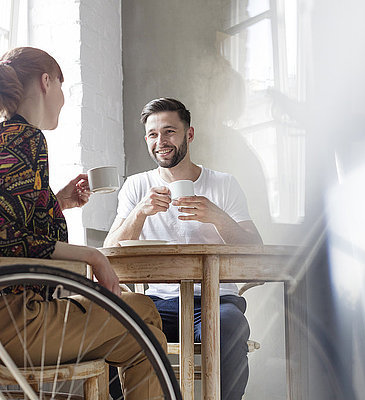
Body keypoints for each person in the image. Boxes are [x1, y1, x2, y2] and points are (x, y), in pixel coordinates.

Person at [0, 47, 166, 399]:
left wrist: (57, 202)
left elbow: (1, 225)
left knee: (146, 338)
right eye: (63, 85)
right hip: (10, 325)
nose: (64, 97)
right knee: (143, 311)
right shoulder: (28, 139)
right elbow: (3, 239)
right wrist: (94, 257)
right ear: (46, 81)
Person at [104, 97, 263, 399]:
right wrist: (139, 213)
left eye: (169, 132)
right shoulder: (137, 186)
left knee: (231, 326)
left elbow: (253, 249)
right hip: (158, 305)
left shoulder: (224, 184)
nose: (160, 141)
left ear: (189, 134)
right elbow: (110, 251)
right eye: (153, 134)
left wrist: (216, 216)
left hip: (216, 303)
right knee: (113, 326)